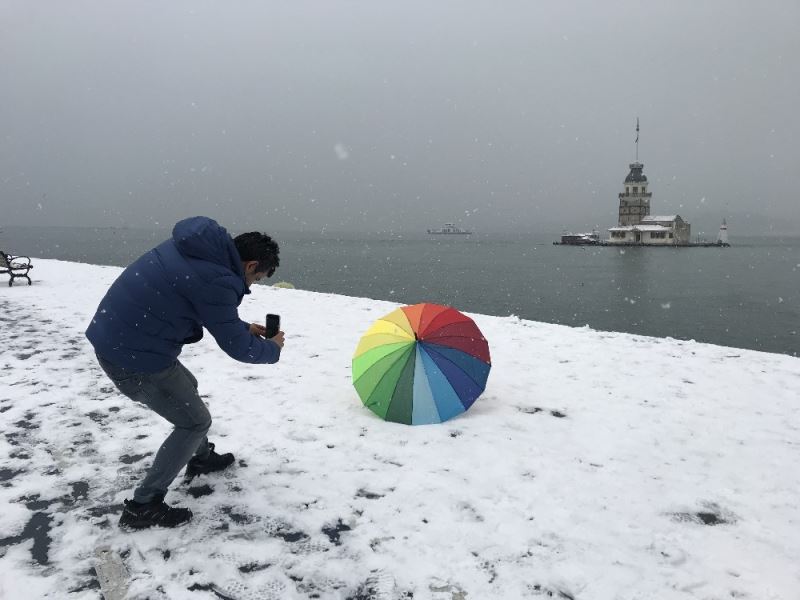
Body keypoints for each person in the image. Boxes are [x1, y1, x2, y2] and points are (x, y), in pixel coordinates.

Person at [86, 216, 284, 530]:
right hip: (133, 356)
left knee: (188, 386)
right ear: (251, 265)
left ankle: (201, 457)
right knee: (194, 421)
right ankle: (143, 505)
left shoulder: (197, 253)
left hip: (122, 338)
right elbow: (236, 347)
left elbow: (196, 301)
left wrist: (244, 326)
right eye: (257, 278)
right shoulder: (217, 280)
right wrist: (273, 348)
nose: (252, 285)